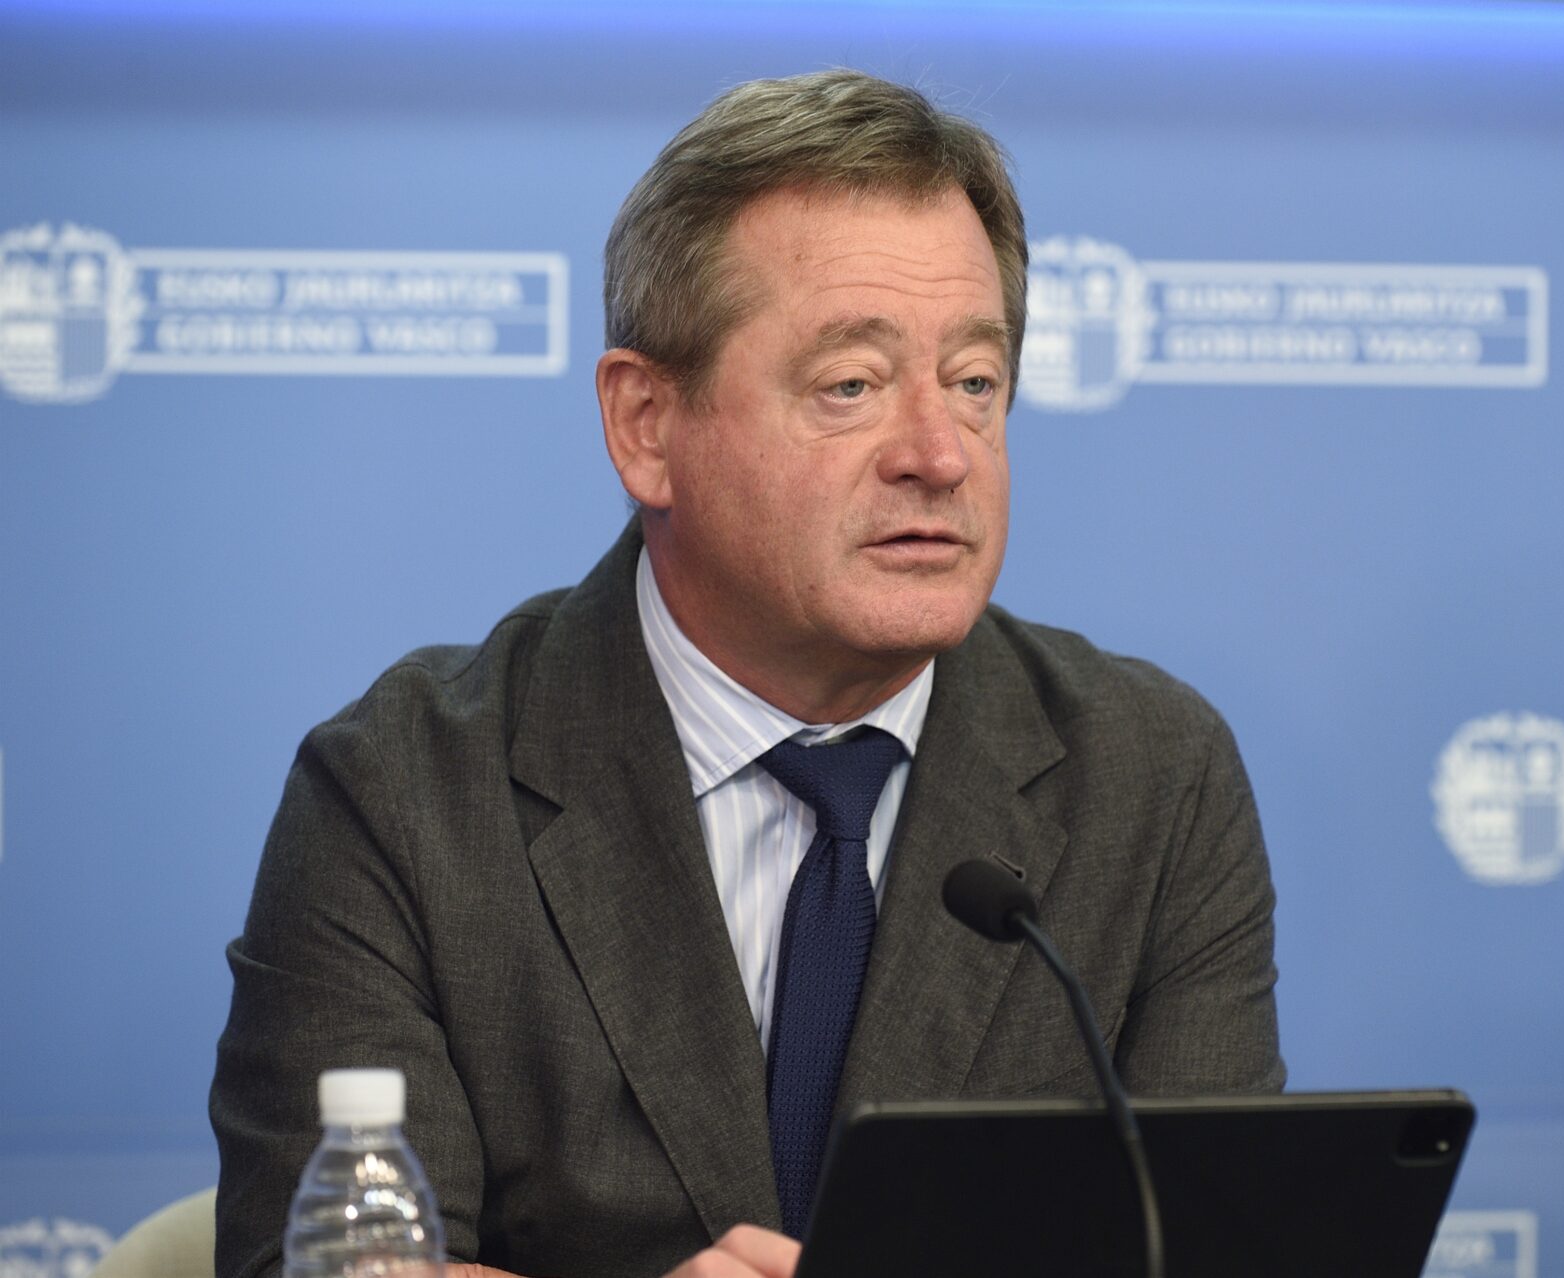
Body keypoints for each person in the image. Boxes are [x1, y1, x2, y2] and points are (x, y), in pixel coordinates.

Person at [210, 69, 1283, 1278]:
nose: (939, 455)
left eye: (975, 383)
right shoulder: (405, 794)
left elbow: (1215, 1252)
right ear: (647, 426)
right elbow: (327, 1266)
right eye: (851, 385)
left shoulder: (1148, 776)